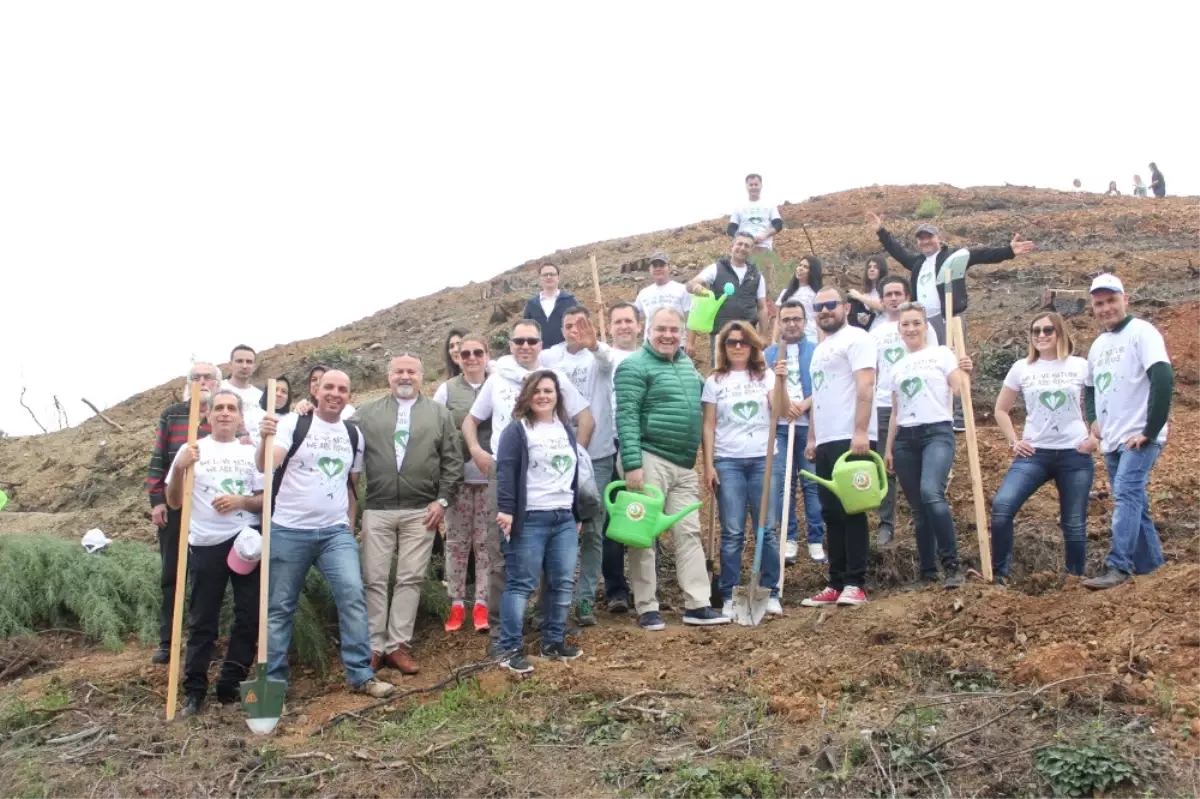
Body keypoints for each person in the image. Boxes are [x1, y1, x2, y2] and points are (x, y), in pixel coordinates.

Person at [256, 370, 394, 699]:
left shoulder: (353, 435)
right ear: (315, 390)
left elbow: (351, 485)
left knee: (353, 597)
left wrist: (349, 524)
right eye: (328, 387)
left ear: (349, 395)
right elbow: (266, 466)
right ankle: (273, 684)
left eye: (343, 389)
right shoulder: (293, 424)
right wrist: (264, 439)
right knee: (279, 607)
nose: (335, 393)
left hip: (335, 533)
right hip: (289, 530)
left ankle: (361, 675)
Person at [462, 320, 592, 652]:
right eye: (518, 340)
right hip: (508, 482)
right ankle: (501, 636)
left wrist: (578, 461)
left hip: (556, 499)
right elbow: (471, 421)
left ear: (540, 343)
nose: (525, 345)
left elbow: (586, 417)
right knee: (506, 560)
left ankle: (549, 629)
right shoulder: (497, 381)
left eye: (531, 340)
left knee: (558, 569)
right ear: (510, 343)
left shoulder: (558, 386)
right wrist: (478, 452)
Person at [614, 307, 728, 629]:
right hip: (649, 458)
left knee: (689, 531)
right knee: (643, 534)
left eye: (674, 330)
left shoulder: (687, 364)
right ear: (648, 330)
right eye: (661, 329)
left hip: (684, 464)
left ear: (682, 333)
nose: (668, 335)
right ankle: (647, 606)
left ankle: (697, 603)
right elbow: (627, 417)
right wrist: (633, 464)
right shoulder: (632, 366)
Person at [869, 213, 1036, 430]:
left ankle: (959, 415)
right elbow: (897, 251)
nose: (925, 241)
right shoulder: (917, 262)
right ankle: (936, 408)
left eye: (929, 236)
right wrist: (881, 231)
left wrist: (1009, 250)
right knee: (928, 363)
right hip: (923, 322)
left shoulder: (953, 257)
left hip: (948, 317)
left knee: (956, 361)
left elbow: (981, 255)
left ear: (939, 237)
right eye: (921, 238)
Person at [353, 354, 462, 675]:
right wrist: (305, 411)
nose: (405, 376)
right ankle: (374, 646)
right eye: (398, 371)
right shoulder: (367, 413)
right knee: (373, 578)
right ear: (389, 377)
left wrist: (442, 500)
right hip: (378, 508)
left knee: (410, 578)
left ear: (420, 376)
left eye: (411, 371)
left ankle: (397, 645)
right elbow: (333, 430)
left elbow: (452, 461)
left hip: (421, 510)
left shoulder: (439, 414)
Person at [164, 389, 262, 716]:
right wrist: (179, 468)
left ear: (239, 417)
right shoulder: (192, 450)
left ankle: (230, 684)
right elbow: (175, 502)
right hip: (206, 544)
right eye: (218, 408)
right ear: (208, 416)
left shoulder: (251, 453)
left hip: (244, 543)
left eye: (230, 408)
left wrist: (241, 502)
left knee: (249, 615)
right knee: (203, 618)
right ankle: (194, 691)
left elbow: (265, 499)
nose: (224, 413)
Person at [1082, 274, 1175, 590]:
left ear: (1126, 300)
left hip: (1139, 437)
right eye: (1099, 303)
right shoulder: (1098, 345)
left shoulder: (1142, 333)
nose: (1106, 308)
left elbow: (1163, 379)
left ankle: (1118, 565)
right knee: (1136, 502)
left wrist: (1151, 429)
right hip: (1113, 440)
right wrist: (1093, 418)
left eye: (1111, 300)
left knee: (1125, 494)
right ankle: (1152, 570)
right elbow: (1090, 388)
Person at [991, 313, 1097, 585]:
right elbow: (1001, 409)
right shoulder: (1022, 368)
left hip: (1075, 454)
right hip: (1034, 454)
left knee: (1073, 522)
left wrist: (1096, 437)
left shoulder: (1080, 366)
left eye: (1048, 330)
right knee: (1002, 507)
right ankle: (1000, 576)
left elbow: (1102, 401)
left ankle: (1075, 577)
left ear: (1059, 332)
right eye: (1035, 330)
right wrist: (1014, 441)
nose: (1041, 335)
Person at [494, 371, 585, 674]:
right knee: (521, 584)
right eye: (537, 390)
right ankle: (509, 648)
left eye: (549, 390)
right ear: (527, 396)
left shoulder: (565, 429)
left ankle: (553, 641)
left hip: (563, 517)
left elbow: (572, 476)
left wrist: (575, 513)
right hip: (530, 517)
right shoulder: (517, 431)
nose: (543, 396)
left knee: (562, 581)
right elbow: (505, 472)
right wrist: (507, 510)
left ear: (557, 395)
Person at [883, 303, 974, 590]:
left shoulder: (941, 355)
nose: (910, 328)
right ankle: (927, 572)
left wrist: (965, 373)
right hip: (905, 439)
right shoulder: (897, 367)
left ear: (925, 326)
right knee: (918, 508)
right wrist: (888, 448)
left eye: (916, 323)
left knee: (931, 493)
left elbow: (958, 387)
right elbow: (896, 411)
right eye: (905, 324)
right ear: (899, 330)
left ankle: (952, 565)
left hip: (937, 432)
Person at [539, 307, 616, 627]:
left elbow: (608, 362)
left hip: (596, 457)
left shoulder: (600, 354)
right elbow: (518, 364)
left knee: (593, 529)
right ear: (560, 328)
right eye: (568, 325)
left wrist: (593, 343)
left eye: (580, 325)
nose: (574, 330)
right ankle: (550, 602)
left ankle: (585, 600)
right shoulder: (550, 358)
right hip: (553, 457)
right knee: (553, 528)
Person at [800, 288, 877, 608]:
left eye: (831, 305)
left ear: (846, 307)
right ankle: (835, 581)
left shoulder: (857, 338)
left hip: (851, 438)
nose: (825, 310)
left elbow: (866, 383)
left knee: (853, 510)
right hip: (827, 439)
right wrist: (813, 437)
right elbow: (819, 395)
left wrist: (860, 431)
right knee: (831, 512)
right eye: (818, 307)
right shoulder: (821, 348)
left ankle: (855, 583)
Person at [145, 361, 223, 665]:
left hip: (210, 509)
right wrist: (157, 501)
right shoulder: (172, 414)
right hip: (175, 504)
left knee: (206, 574)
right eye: (196, 377)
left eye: (208, 377)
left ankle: (203, 639)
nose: (202, 381)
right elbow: (157, 459)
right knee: (172, 573)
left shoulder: (223, 414)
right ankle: (168, 641)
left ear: (218, 383)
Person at [702, 321, 782, 617]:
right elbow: (709, 426)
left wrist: (781, 385)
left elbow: (781, 411)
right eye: (731, 342)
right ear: (723, 347)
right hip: (729, 462)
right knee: (733, 532)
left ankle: (771, 591)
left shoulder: (767, 376)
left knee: (767, 530)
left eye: (743, 342)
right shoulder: (715, 381)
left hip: (764, 460)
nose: (737, 346)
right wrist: (709, 465)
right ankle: (730, 593)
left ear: (752, 346)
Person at [869, 276, 936, 547]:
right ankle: (886, 523)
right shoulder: (874, 334)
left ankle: (925, 521)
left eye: (898, 293)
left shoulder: (923, 327)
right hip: (885, 405)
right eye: (888, 294)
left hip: (920, 404)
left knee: (920, 466)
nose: (893, 298)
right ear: (882, 300)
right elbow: (870, 371)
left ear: (906, 295)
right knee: (887, 466)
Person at [434, 334, 494, 633]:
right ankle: (456, 603)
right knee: (457, 544)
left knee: (485, 544)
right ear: (457, 357)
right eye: (465, 353)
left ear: (487, 354)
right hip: (458, 478)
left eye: (477, 352)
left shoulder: (499, 384)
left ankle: (482, 604)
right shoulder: (446, 390)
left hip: (490, 479)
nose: (471, 358)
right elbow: (437, 429)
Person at [765, 299, 825, 564]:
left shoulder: (817, 351)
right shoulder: (768, 355)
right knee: (782, 486)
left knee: (811, 484)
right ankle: (788, 539)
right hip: (779, 428)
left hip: (810, 426)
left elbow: (825, 386)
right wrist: (784, 406)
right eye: (786, 319)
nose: (791, 324)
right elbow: (764, 389)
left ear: (804, 321)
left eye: (796, 319)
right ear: (779, 322)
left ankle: (815, 540)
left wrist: (805, 404)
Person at [601, 302, 643, 612]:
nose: (624, 326)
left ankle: (645, 588)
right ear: (610, 326)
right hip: (608, 443)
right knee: (611, 519)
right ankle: (615, 589)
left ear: (639, 325)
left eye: (629, 320)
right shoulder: (603, 357)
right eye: (618, 321)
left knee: (641, 515)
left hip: (643, 445)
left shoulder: (647, 358)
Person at [687, 233, 769, 351]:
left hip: (748, 335)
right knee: (720, 369)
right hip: (720, 335)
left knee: (749, 369)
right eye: (739, 244)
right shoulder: (716, 268)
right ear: (731, 246)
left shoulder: (757, 275)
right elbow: (690, 285)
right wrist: (695, 287)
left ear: (751, 250)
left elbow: (762, 307)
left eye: (747, 246)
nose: (742, 248)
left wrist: (763, 336)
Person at [635, 252, 695, 355]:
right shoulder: (644, 293)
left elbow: (691, 318)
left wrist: (690, 342)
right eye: (655, 266)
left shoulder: (682, 290)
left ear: (669, 268)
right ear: (650, 269)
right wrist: (605, 309)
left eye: (662, 265)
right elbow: (634, 316)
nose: (658, 268)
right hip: (651, 346)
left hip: (677, 345)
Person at [523, 264, 578, 349]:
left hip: (565, 353)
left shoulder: (569, 300)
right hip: (539, 354)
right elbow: (526, 330)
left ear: (558, 277)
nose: (548, 277)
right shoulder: (532, 304)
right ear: (540, 279)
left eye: (552, 274)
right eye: (545, 275)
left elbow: (579, 325)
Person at [728, 173, 783, 252]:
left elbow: (778, 224)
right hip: (743, 249)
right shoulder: (739, 207)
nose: (753, 187)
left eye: (756, 184)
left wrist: (765, 235)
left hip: (764, 247)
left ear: (761, 185)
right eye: (751, 185)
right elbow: (731, 228)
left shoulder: (770, 205)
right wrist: (740, 238)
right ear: (746, 186)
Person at [776, 256, 823, 342]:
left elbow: (819, 320)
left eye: (805, 267)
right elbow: (778, 319)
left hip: (810, 337)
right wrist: (773, 341)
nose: (800, 268)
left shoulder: (818, 294)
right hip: (788, 336)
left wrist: (821, 342)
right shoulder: (786, 293)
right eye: (800, 265)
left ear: (813, 271)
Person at [242, 376, 291, 448]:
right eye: (275, 390)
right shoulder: (251, 415)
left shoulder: (292, 419)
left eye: (283, 391)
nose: (279, 394)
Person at [848, 257, 888, 331]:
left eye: (876, 267)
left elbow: (883, 306)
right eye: (869, 267)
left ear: (882, 270)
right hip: (873, 331)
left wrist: (859, 296)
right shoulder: (868, 294)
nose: (871, 269)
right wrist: (864, 320)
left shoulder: (887, 289)